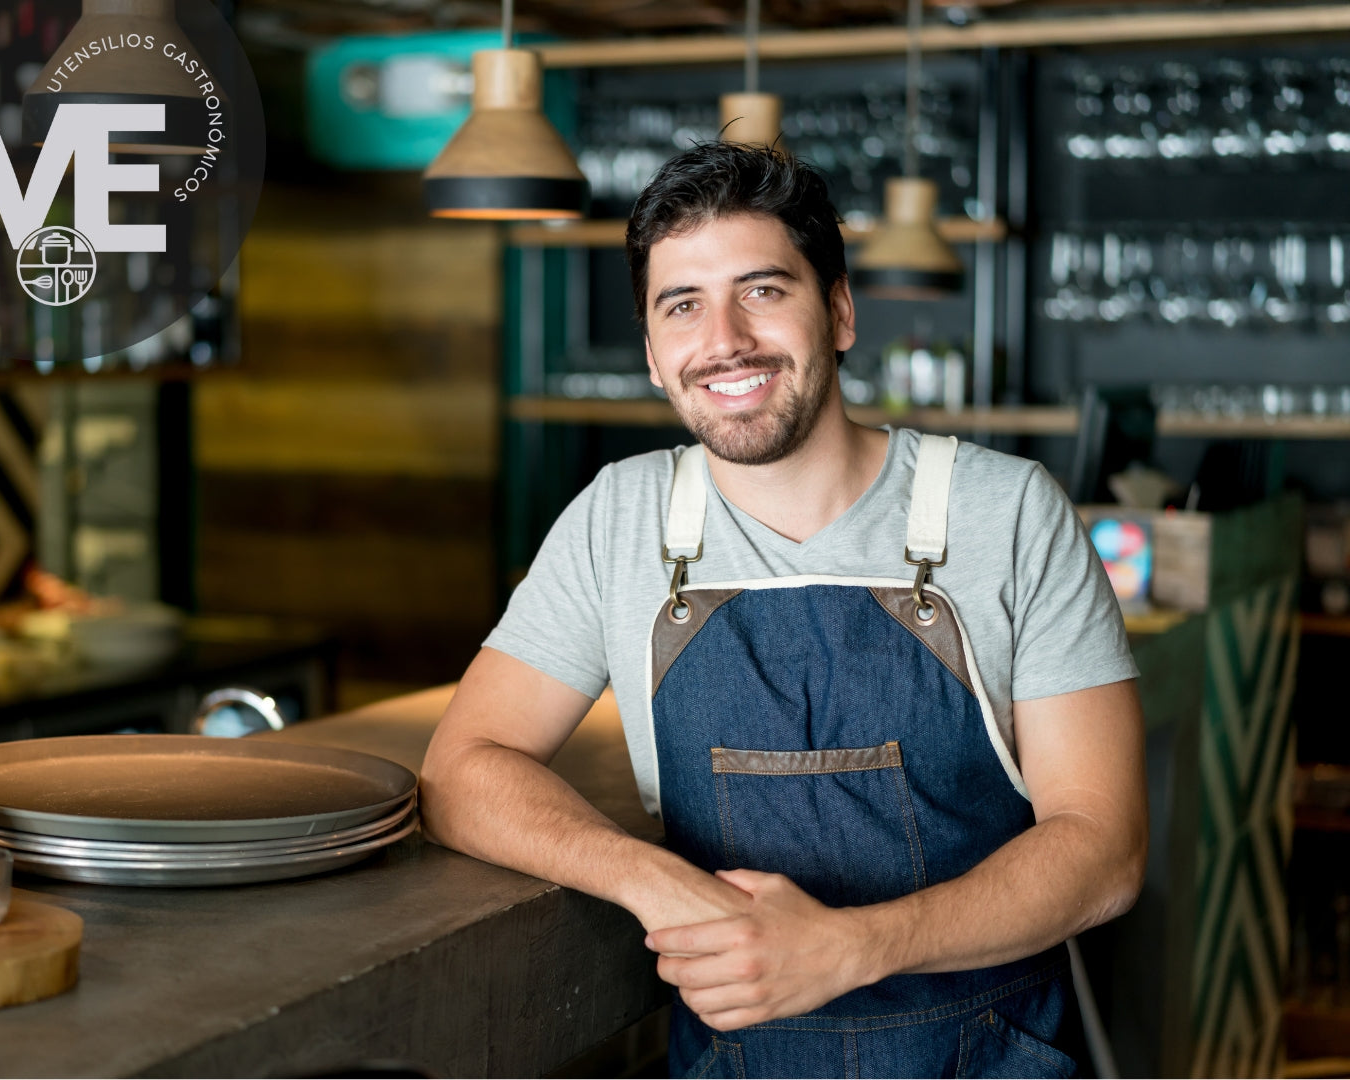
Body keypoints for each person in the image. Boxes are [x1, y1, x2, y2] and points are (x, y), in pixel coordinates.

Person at [420, 142, 1147, 1078]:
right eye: (682, 305)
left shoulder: (1004, 511)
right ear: (650, 353)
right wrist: (662, 889)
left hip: (988, 1054)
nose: (724, 339)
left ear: (839, 312)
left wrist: (850, 948)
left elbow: (1104, 847)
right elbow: (462, 768)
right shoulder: (622, 517)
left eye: (763, 290)